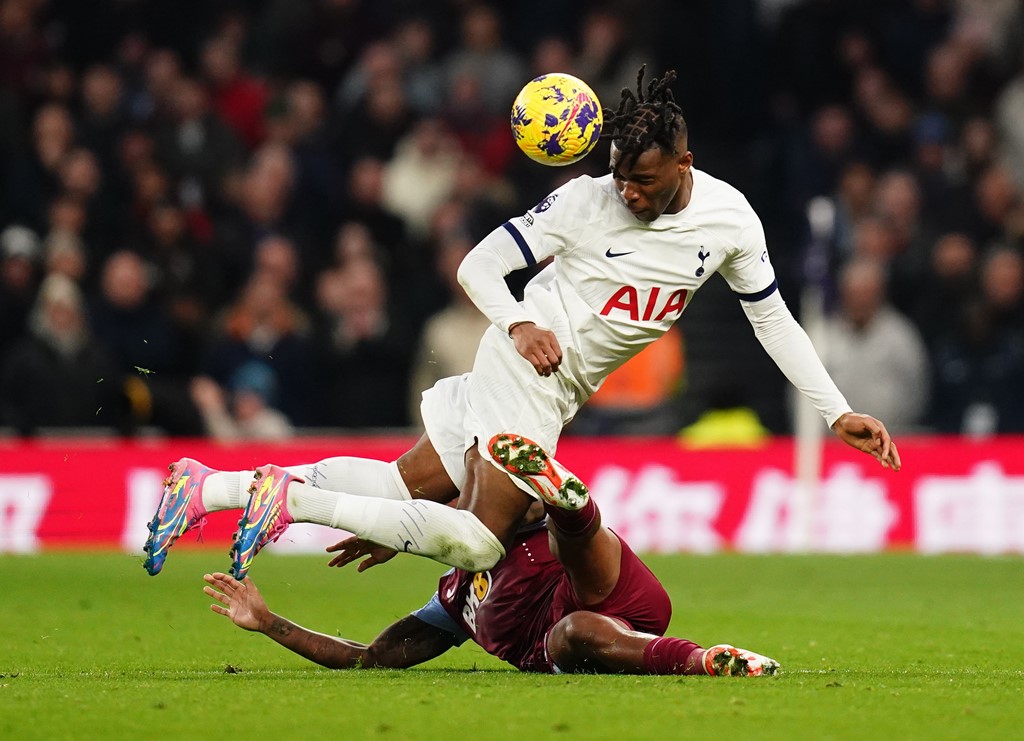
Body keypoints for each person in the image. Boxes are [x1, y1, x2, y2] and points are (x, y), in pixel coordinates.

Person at [143, 66, 900, 582]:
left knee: (405, 483)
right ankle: (291, 500)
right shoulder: (583, 200)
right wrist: (517, 325)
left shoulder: (732, 220)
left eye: (642, 181)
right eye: (619, 176)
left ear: (684, 163)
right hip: (527, 368)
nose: (627, 194)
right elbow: (476, 265)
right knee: (478, 541)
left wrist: (835, 409)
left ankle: (208, 487)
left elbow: (773, 320)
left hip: (560, 388)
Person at [202, 437, 779, 677]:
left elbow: (490, 507)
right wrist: (268, 623)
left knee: (565, 544)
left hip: (601, 585)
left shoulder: (507, 522)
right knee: (574, 629)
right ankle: (705, 661)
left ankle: (568, 501)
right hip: (573, 636)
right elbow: (368, 659)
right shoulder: (453, 602)